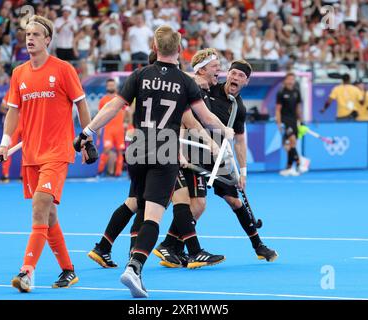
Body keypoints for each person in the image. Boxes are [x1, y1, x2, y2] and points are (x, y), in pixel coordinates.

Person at [74, 25, 233, 298]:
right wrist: (225, 132)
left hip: (138, 146)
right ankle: (134, 267)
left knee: (137, 201)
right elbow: (204, 118)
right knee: (153, 216)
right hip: (165, 149)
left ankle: (107, 247)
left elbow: (113, 106)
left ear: (155, 48)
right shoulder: (186, 82)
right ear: (180, 50)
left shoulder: (140, 74)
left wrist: (87, 131)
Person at [0, 15, 97, 293]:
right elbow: (13, 112)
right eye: (27, 34)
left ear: (48, 40)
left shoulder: (63, 69)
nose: (30, 38)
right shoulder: (19, 73)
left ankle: (26, 272)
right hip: (31, 154)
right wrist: (5, 143)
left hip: (57, 152)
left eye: (36, 34)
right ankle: (68, 270)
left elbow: (81, 104)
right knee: (49, 215)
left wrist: (86, 140)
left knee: (40, 206)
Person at [159, 53, 278, 264]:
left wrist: (242, 172)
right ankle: (171, 246)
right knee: (197, 204)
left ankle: (258, 245)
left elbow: (240, 141)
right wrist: (196, 76)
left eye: (241, 75)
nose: (235, 77)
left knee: (235, 200)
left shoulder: (238, 107)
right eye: (232, 72)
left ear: (246, 81)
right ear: (227, 74)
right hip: (195, 151)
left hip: (217, 155)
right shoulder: (209, 86)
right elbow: (190, 78)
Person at [276, 73, 307, 176]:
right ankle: (299, 163)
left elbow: (298, 108)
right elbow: (278, 110)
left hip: (294, 121)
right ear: (285, 80)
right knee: (292, 141)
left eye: (292, 79)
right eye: (289, 79)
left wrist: (301, 121)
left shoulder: (296, 92)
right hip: (285, 120)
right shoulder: (281, 92)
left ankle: (289, 167)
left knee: (291, 145)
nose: (290, 81)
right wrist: (279, 123)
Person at [97, 78, 128, 176]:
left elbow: (127, 111)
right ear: (106, 87)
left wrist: (126, 123)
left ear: (115, 86)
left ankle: (118, 173)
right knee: (106, 149)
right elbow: (100, 115)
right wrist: (98, 130)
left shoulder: (120, 99)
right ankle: (100, 171)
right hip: (108, 129)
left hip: (119, 129)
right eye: (109, 85)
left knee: (120, 150)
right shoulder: (103, 100)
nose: (111, 86)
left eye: (112, 85)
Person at [0, 90, 22, 183]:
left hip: (28, 124)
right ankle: (5, 175)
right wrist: (12, 114)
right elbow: (1, 107)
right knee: (7, 149)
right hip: (15, 125)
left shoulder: (33, 90)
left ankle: (24, 176)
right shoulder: (12, 91)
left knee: (29, 150)